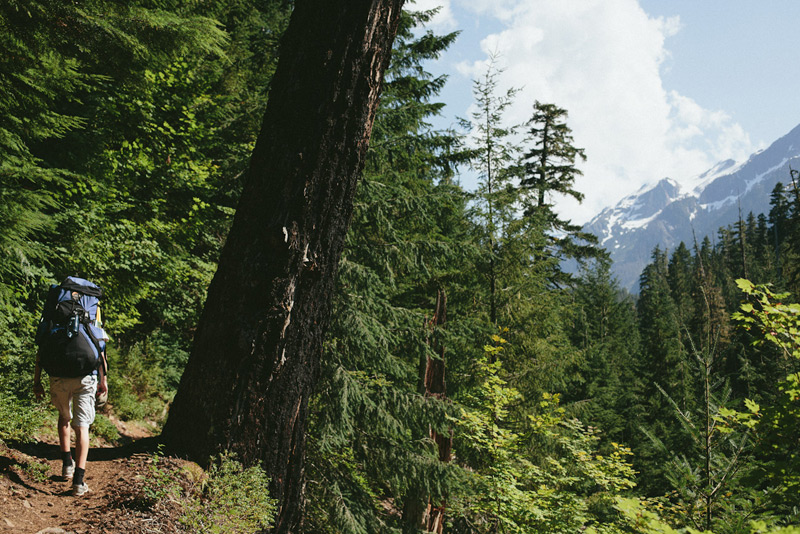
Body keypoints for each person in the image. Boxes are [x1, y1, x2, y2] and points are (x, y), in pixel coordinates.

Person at [33, 327, 109, 496]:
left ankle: (67, 464)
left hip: (58, 378)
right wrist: (103, 381)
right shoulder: (93, 328)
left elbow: (40, 356)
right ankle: (78, 481)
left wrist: (37, 382)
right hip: (85, 378)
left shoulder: (54, 325)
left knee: (64, 417)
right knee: (82, 427)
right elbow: (101, 357)